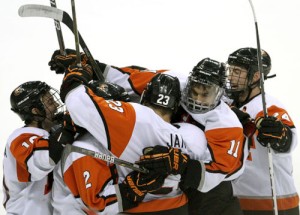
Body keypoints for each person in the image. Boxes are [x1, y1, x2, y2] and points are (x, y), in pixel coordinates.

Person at [49, 51, 246, 214]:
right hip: (174, 191)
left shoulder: (226, 124)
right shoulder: (178, 84)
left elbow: (221, 171)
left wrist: (184, 166)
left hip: (209, 191)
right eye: (194, 91)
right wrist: (92, 65)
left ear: (220, 94)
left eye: (206, 94)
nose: (197, 98)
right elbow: (129, 77)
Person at [225, 47, 299, 215]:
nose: (230, 76)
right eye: (230, 70)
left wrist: (281, 136)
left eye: (236, 71)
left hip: (273, 203)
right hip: (238, 202)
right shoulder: (228, 104)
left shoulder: (268, 108)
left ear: (256, 76)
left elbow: (290, 141)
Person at [2, 81, 66, 215]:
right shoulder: (20, 137)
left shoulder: (51, 133)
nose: (56, 105)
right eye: (50, 102)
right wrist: (67, 130)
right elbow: (44, 159)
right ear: (36, 111)